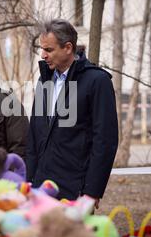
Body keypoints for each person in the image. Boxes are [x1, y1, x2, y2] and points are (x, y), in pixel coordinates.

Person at [25, 19, 118, 208]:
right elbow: (35, 135)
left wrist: (92, 192)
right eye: (42, 49)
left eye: (49, 50)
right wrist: (29, 180)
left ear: (68, 48)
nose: (43, 55)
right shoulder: (45, 82)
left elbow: (105, 141)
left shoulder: (97, 81)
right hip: (40, 189)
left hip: (74, 192)